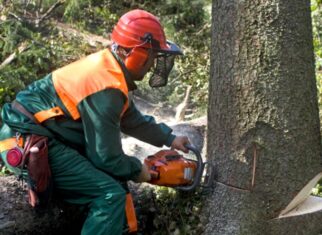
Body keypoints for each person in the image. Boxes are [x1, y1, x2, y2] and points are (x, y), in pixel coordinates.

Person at [0, 9, 190, 235]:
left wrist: (170, 137)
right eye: (152, 56)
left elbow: (131, 120)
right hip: (27, 140)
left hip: (41, 134)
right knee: (109, 195)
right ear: (136, 53)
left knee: (113, 184)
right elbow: (106, 158)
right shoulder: (106, 86)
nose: (152, 65)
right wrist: (142, 171)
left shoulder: (109, 71)